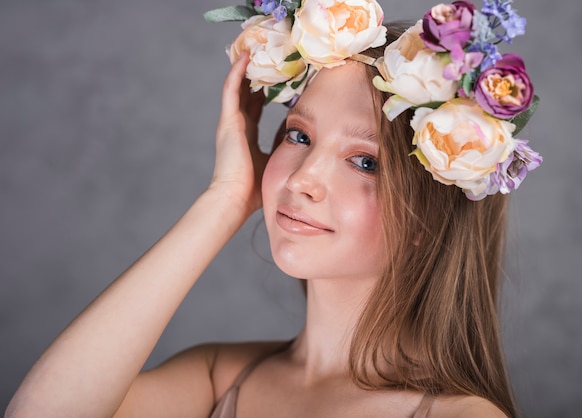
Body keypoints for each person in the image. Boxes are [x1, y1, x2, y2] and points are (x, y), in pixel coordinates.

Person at [6, 0, 542, 417]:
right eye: (298, 135)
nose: (305, 179)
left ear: (433, 217)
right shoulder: (220, 378)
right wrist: (224, 201)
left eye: (365, 163)